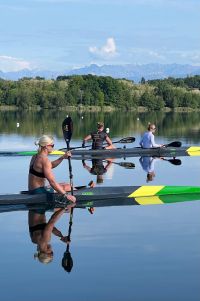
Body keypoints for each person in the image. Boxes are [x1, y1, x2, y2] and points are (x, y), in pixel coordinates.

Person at [28, 134, 76, 203]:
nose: (53, 147)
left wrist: (62, 157)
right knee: (67, 187)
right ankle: (84, 193)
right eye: (52, 145)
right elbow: (52, 182)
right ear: (46, 146)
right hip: (38, 192)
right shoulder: (45, 160)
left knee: (64, 183)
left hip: (32, 190)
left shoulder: (35, 156)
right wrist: (66, 195)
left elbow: (49, 166)